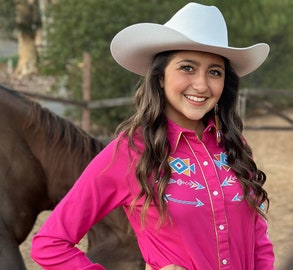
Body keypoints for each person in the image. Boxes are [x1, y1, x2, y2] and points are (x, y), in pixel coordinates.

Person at [31, 2, 275, 269]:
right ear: (160, 77)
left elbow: (258, 241)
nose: (202, 85)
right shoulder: (129, 152)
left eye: (214, 72)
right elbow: (50, 243)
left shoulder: (234, 145)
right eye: (187, 67)